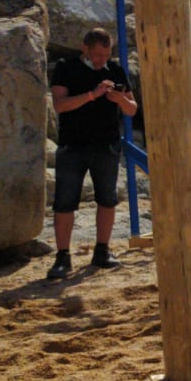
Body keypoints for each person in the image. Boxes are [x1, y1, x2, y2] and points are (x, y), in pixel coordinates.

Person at [46, 28, 138, 280]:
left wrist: (119, 99)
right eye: (97, 54)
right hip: (72, 145)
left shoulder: (115, 70)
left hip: (106, 145)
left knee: (107, 199)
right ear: (85, 49)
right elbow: (60, 105)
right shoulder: (66, 67)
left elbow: (131, 109)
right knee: (65, 202)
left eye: (106, 54)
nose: (101, 60)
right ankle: (62, 256)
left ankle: (102, 250)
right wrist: (92, 95)